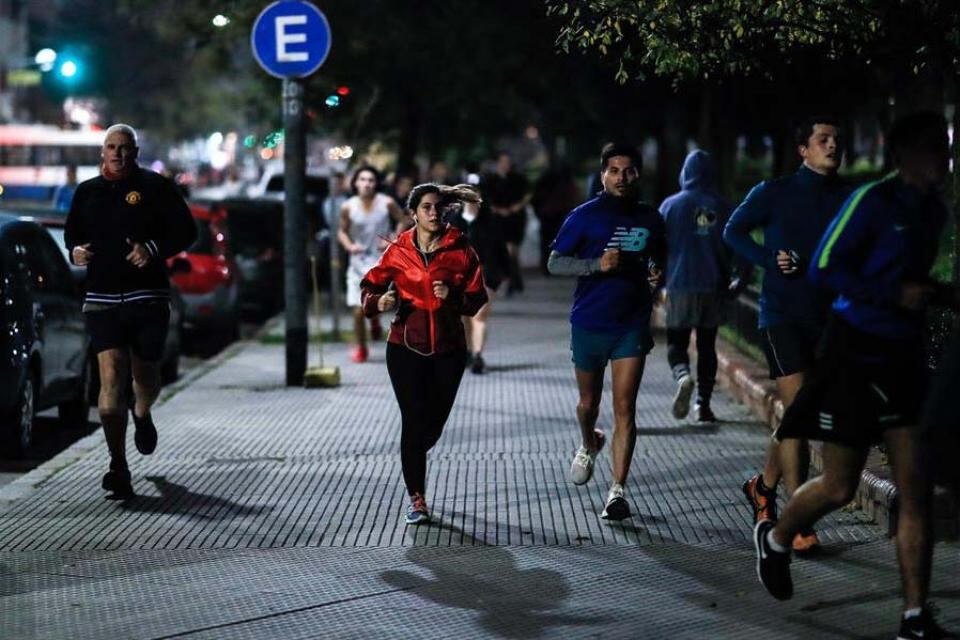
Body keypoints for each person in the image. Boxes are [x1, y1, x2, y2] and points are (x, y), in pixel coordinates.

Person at [753, 112, 956, 640]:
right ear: (906, 155)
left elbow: (914, 279)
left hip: (903, 357)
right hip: (853, 351)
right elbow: (824, 266)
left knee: (914, 487)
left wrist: (937, 294)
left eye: (946, 148)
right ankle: (776, 540)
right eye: (936, 149)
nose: (946, 158)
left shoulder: (933, 208)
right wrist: (891, 294)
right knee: (840, 486)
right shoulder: (873, 201)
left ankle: (914, 617)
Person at [724, 116, 852, 552]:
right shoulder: (774, 192)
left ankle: (763, 486)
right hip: (781, 316)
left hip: (830, 318)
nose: (832, 146)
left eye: (837, 139)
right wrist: (768, 259)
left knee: (803, 413)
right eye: (823, 139)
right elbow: (732, 230)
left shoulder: (850, 197)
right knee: (797, 412)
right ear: (803, 149)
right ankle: (799, 522)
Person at [64, 123, 196, 499]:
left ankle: (142, 411)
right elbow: (72, 235)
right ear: (102, 152)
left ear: (135, 152)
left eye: (125, 148)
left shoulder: (156, 187)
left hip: (147, 297)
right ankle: (118, 466)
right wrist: (75, 252)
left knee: (146, 375)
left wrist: (151, 249)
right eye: (112, 147)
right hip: (102, 298)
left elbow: (187, 231)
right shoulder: (87, 192)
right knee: (110, 376)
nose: (118, 154)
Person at [548, 142, 666, 521]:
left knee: (625, 408)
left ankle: (617, 491)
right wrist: (596, 265)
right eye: (613, 170)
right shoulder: (584, 216)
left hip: (631, 322)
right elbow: (555, 263)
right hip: (590, 321)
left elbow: (660, 257)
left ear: (638, 174)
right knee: (588, 405)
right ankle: (589, 442)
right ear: (602, 175)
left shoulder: (651, 218)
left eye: (628, 170)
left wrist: (656, 274)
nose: (621, 177)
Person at [360, 183, 488, 524]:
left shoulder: (461, 250)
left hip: (449, 349)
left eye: (438, 207)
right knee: (413, 420)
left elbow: (477, 298)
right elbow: (370, 286)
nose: (433, 213)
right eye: (426, 207)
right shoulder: (398, 251)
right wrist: (378, 302)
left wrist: (453, 296)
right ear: (413, 213)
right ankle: (417, 498)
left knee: (432, 426)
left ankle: (417, 449)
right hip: (405, 346)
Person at [659, 150, 738, 423]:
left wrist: (656, 285)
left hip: (679, 285)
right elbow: (738, 247)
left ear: (685, 173)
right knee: (707, 346)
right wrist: (737, 281)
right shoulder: (724, 207)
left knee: (676, 343)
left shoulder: (670, 206)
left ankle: (683, 376)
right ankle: (703, 405)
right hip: (713, 286)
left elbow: (656, 248)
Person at [338, 166, 406, 362]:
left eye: (371, 180)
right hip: (357, 263)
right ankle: (361, 347)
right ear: (356, 183)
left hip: (380, 264)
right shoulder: (348, 206)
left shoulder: (387, 203)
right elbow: (342, 231)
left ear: (376, 184)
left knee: (377, 302)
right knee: (358, 310)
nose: (367, 184)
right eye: (363, 180)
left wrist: (392, 239)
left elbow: (403, 220)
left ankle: (375, 320)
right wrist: (349, 246)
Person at [444, 184, 510, 374]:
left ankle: (478, 355)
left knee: (479, 316)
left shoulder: (491, 222)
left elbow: (501, 250)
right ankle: (467, 352)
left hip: (485, 275)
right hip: (456, 278)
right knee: (463, 316)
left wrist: (504, 274)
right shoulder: (451, 222)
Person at [483, 151, 530, 296]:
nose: (505, 165)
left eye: (507, 162)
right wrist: (497, 210)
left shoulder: (518, 178)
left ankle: (514, 280)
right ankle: (514, 281)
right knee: (506, 251)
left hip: (515, 218)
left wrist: (517, 207)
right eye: (502, 162)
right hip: (497, 219)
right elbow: (485, 199)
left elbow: (527, 195)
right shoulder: (489, 180)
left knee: (513, 251)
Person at [532, 165, 581, 276]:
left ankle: (546, 268)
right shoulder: (567, 184)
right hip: (563, 216)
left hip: (547, 215)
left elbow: (535, 200)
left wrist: (539, 213)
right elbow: (574, 200)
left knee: (546, 243)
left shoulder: (543, 184)